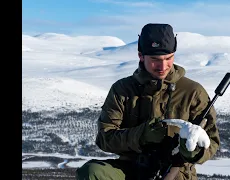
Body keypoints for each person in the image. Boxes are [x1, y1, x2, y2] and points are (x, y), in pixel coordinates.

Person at [76, 23, 220, 180]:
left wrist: (194, 152)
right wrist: (140, 135)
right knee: (92, 173)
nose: (162, 66)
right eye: (155, 59)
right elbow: (105, 139)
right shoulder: (122, 89)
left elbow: (212, 142)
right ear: (141, 56)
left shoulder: (192, 92)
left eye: (168, 58)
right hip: (131, 168)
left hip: (176, 173)